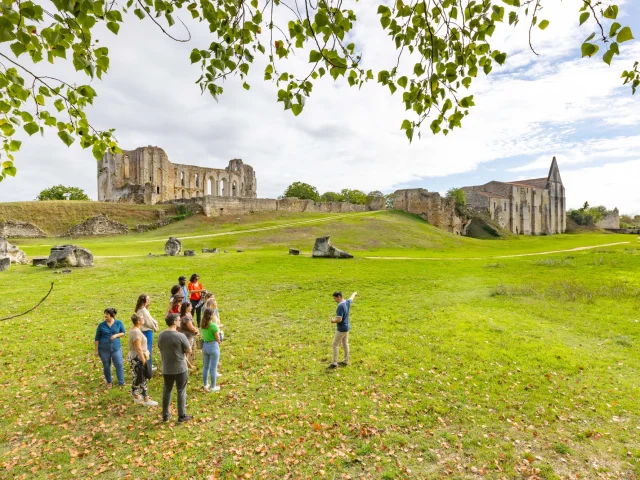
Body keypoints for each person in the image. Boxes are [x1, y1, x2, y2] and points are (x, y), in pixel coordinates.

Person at [157, 313, 193, 423]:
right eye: (178, 320)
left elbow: (160, 347)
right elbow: (188, 350)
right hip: (180, 368)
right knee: (181, 390)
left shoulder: (161, 335)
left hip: (167, 367)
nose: (180, 321)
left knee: (167, 390)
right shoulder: (180, 336)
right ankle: (181, 415)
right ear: (174, 322)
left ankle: (165, 415)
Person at [128, 313, 158, 407]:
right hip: (138, 358)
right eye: (142, 318)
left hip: (134, 356)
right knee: (143, 377)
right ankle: (146, 399)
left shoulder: (133, 328)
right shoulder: (136, 332)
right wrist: (144, 361)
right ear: (138, 321)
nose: (143, 319)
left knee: (136, 376)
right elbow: (138, 348)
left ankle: (136, 395)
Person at [94, 307, 126, 387]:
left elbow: (123, 332)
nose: (105, 316)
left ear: (112, 315)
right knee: (106, 366)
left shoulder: (118, 323)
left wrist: (116, 335)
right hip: (104, 349)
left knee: (119, 364)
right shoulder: (101, 325)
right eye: (105, 314)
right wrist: (96, 350)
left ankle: (121, 382)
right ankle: (109, 382)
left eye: (107, 314)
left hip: (116, 348)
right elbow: (97, 338)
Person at [328, 291, 357, 370]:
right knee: (345, 344)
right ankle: (345, 361)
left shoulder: (340, 306)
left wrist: (333, 321)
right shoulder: (346, 302)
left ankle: (334, 363)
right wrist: (354, 293)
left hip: (341, 329)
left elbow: (339, 319)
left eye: (335, 298)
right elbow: (351, 298)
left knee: (334, 344)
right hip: (347, 327)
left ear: (339, 297)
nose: (334, 300)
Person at [135, 294, 159, 370]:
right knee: (147, 349)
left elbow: (150, 318)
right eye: (148, 299)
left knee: (147, 348)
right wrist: (154, 327)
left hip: (146, 331)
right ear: (144, 300)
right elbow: (148, 321)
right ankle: (148, 365)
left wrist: (156, 322)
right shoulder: (143, 310)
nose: (149, 301)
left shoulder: (142, 309)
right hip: (146, 331)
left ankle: (147, 364)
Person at [200, 307, 221, 393]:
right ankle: (213, 387)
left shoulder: (202, 324)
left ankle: (205, 384)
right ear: (211, 315)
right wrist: (220, 339)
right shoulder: (213, 326)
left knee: (206, 366)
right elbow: (218, 338)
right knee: (213, 368)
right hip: (213, 346)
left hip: (205, 345)